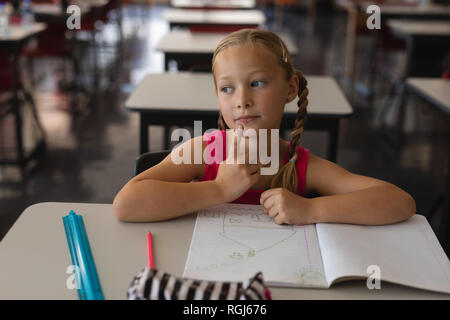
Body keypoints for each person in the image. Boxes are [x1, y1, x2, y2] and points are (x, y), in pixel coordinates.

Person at [113, 29, 415, 225]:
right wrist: (218, 188)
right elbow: (126, 204)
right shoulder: (203, 153)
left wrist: (311, 210)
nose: (242, 101)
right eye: (227, 88)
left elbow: (399, 202)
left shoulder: (300, 167)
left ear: (290, 88)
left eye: (257, 83)